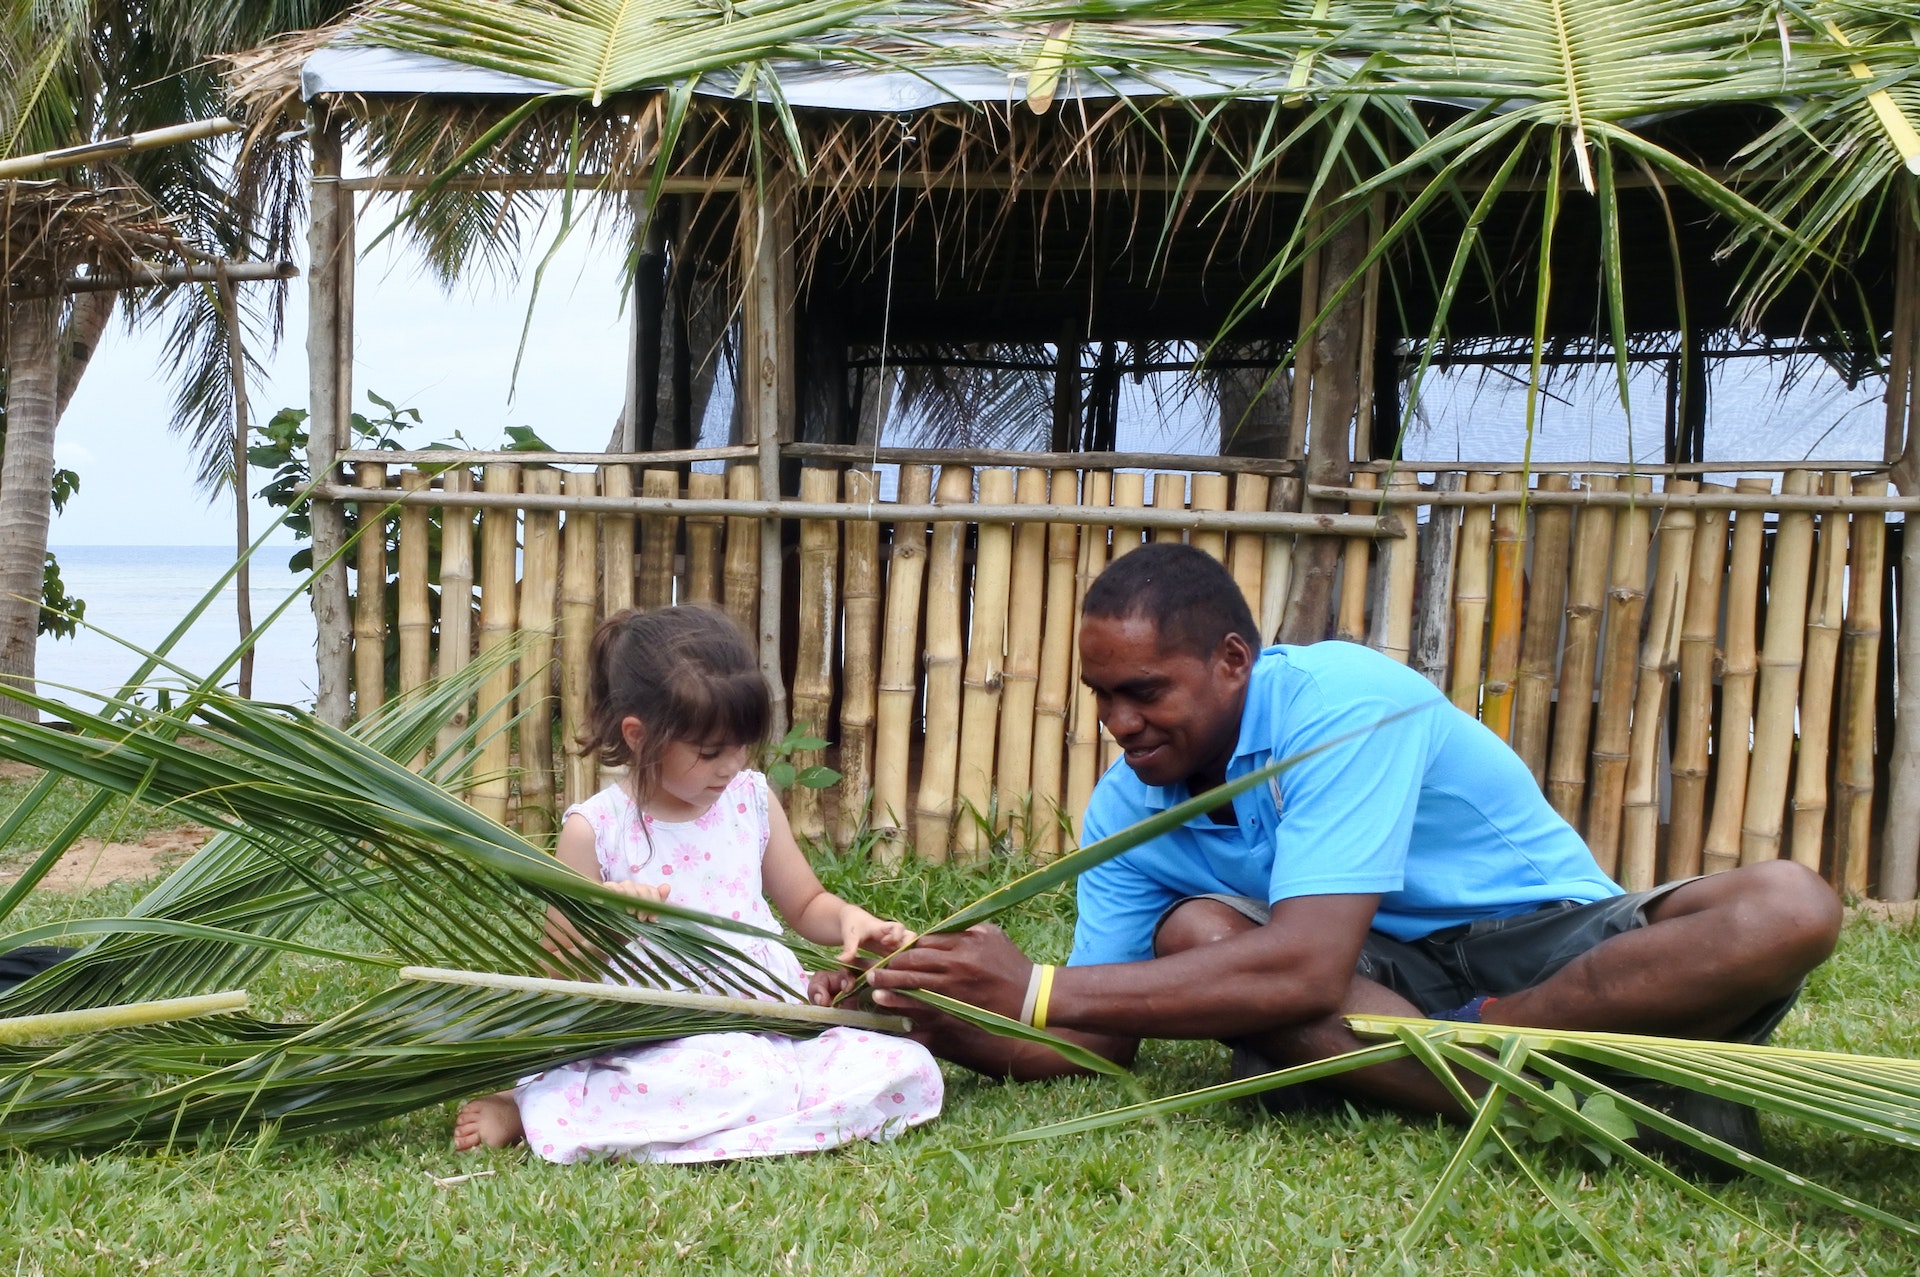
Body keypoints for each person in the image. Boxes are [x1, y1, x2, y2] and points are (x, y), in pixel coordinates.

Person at [867, 542, 1842, 1128]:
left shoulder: (1343, 700)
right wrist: (947, 1010)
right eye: (1101, 696)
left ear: (1233, 661)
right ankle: (1567, 1088)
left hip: (1546, 945)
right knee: (1196, 934)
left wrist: (1035, 984)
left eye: (1145, 690)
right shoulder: (1125, 808)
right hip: (1385, 987)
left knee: (1788, 904)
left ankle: (1490, 1061)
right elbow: (1102, 1042)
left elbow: (1299, 969)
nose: (1117, 721)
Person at [455, 605, 942, 1162]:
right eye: (710, 752)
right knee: (736, 1079)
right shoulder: (597, 830)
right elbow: (558, 970)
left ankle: (749, 1109)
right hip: (659, 1042)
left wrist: (851, 920)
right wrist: (607, 920)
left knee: (909, 1067)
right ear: (638, 736)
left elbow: (807, 902)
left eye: (741, 747)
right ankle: (535, 1104)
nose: (731, 765)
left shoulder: (751, 801)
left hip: (771, 1024)